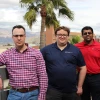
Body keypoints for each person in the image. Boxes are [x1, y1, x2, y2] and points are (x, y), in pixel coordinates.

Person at [0, 25, 48, 100]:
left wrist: (42, 95)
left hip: (33, 95)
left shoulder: (36, 53)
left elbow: (42, 75)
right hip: (14, 95)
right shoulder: (7, 54)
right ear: (12, 37)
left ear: (25, 36)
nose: (19, 38)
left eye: (21, 35)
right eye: (16, 36)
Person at [40, 26, 86, 100]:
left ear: (68, 36)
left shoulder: (75, 50)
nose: (62, 37)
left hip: (71, 91)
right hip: (52, 90)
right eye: (59, 35)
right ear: (56, 36)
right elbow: (38, 66)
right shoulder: (46, 50)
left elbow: (83, 67)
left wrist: (80, 86)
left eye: (64, 35)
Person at [75, 26, 100, 100]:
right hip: (82, 77)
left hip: (97, 77)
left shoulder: (99, 46)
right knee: (83, 97)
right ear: (82, 35)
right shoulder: (76, 47)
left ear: (93, 34)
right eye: (85, 33)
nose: (87, 34)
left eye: (89, 33)